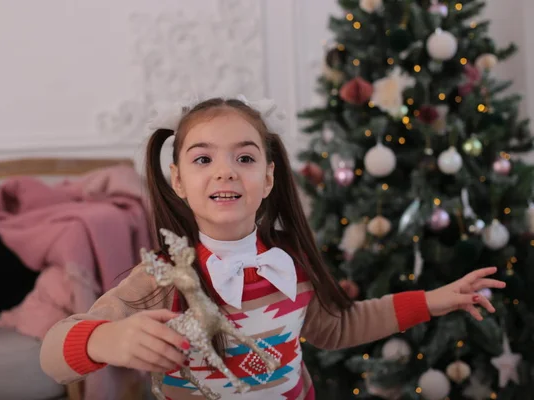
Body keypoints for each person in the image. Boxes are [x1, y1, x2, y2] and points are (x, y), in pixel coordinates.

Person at [40, 95, 505, 399]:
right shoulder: (164, 279)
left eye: (244, 157)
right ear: (178, 180)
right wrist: (107, 338)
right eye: (203, 158)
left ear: (267, 177)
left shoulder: (293, 264)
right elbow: (53, 356)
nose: (225, 172)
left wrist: (432, 301)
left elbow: (341, 327)